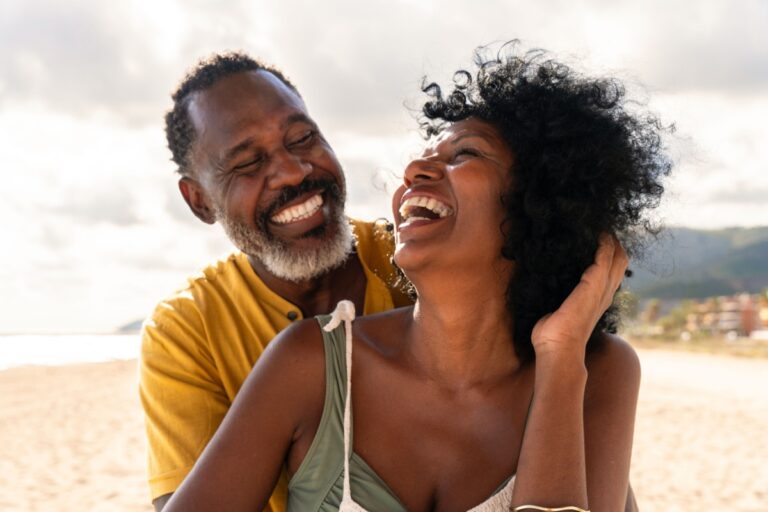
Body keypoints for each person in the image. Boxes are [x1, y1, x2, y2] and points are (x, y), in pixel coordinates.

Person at [162, 43, 669, 511]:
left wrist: (560, 357)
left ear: (541, 203)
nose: (414, 170)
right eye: (248, 162)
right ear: (198, 199)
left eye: (464, 154)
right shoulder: (305, 362)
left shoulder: (597, 368)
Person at [139, 53, 412, 512]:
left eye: (303, 138)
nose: (294, 171)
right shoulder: (187, 330)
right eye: (248, 163)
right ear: (200, 201)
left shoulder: (412, 260)